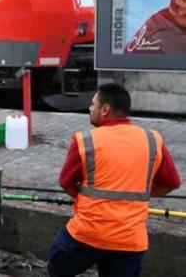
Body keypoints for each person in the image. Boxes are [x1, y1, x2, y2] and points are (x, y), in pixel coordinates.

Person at [48, 83, 181, 277]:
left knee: (57, 267)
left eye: (93, 104)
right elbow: (172, 182)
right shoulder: (152, 139)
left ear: (105, 109)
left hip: (87, 233)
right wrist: (140, 195)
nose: (89, 108)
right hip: (130, 239)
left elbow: (66, 182)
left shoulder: (85, 140)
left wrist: (86, 200)